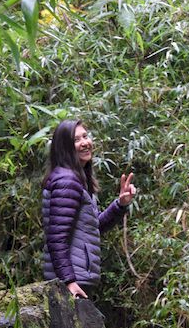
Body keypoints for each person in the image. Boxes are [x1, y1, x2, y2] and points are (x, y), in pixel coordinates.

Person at [41, 119, 137, 299]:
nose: (85, 143)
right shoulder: (66, 181)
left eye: (85, 136)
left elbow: (92, 227)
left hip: (75, 277)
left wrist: (120, 204)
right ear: (65, 148)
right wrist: (68, 281)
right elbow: (57, 237)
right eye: (76, 140)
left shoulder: (76, 179)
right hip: (70, 280)